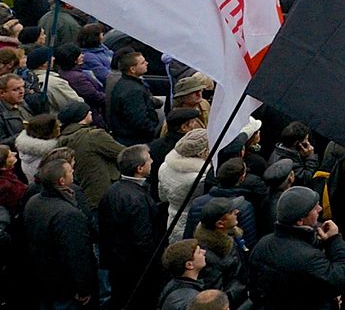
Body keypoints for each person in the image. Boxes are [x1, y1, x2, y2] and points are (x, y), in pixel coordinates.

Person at [248, 186, 345, 310]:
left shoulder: (263, 243)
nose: (320, 209)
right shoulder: (309, 258)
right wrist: (334, 240)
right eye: (314, 208)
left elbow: (254, 286)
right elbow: (340, 280)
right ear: (300, 221)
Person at [24, 158, 96, 309]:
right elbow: (77, 254)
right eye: (70, 171)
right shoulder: (68, 214)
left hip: (42, 278)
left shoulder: (34, 201)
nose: (73, 172)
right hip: (64, 286)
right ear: (62, 181)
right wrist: (84, 288)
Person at [98, 145, 163, 309]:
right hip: (135, 268)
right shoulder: (136, 199)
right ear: (139, 168)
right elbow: (143, 239)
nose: (152, 161)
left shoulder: (112, 189)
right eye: (149, 159)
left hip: (117, 262)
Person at [57, 102, 125, 209]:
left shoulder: (62, 138)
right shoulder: (93, 136)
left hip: (82, 194)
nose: (90, 112)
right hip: (103, 193)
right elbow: (123, 153)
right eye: (87, 111)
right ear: (81, 117)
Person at [193, 197, 249, 308]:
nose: (237, 212)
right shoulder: (209, 257)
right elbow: (216, 295)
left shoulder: (230, 235)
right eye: (231, 212)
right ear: (220, 224)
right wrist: (243, 291)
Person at [159, 128, 209, 243]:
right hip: (191, 225)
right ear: (202, 152)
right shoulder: (200, 178)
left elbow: (163, 197)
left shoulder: (164, 167)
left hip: (172, 219)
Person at [108, 51, 160, 146]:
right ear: (132, 69)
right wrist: (152, 130)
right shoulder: (133, 91)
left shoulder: (123, 83)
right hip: (135, 140)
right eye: (143, 63)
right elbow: (138, 120)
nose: (147, 63)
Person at [268, 121, 319, 187]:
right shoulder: (289, 162)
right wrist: (310, 157)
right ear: (297, 143)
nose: (308, 142)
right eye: (306, 139)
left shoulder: (279, 150)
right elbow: (306, 179)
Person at [160, 239, 207, 310]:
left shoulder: (173, 285)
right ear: (189, 265)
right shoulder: (191, 300)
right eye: (199, 252)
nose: (204, 252)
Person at [0, 73, 30, 144]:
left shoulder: (23, 104)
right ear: (2, 93)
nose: (21, 91)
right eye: (16, 89)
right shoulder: (2, 113)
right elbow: (1, 144)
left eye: (22, 87)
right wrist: (25, 135)